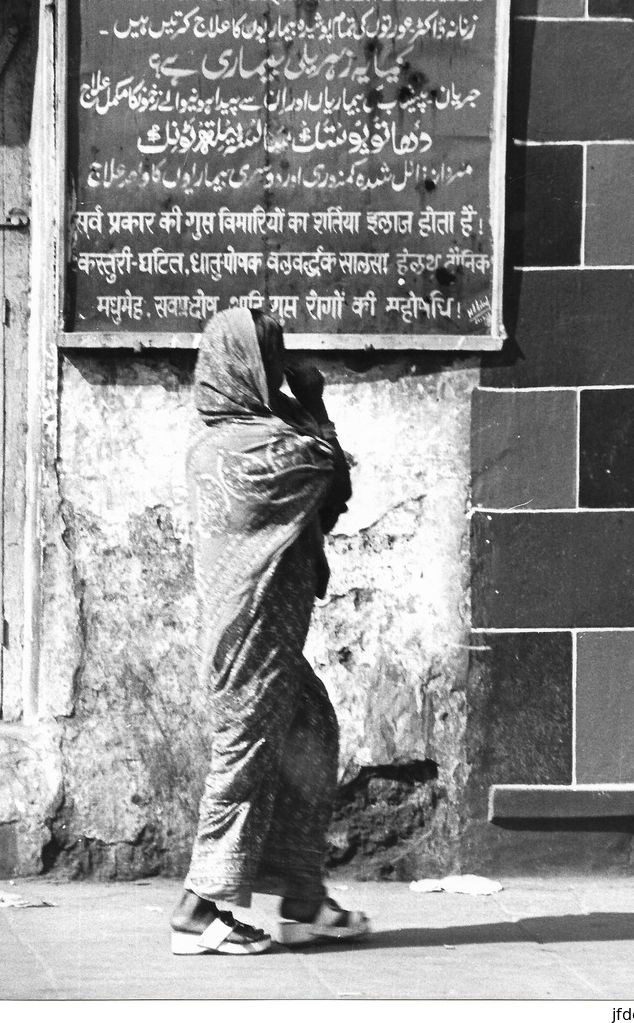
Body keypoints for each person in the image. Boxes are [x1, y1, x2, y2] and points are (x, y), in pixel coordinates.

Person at [170, 306, 369, 956]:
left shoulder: (218, 442)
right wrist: (309, 398)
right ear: (248, 369)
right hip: (253, 635)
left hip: (255, 631)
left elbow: (322, 489)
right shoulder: (261, 447)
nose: (279, 369)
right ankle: (198, 910)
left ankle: (301, 898)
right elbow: (326, 470)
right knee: (243, 763)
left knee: (309, 729)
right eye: (270, 358)